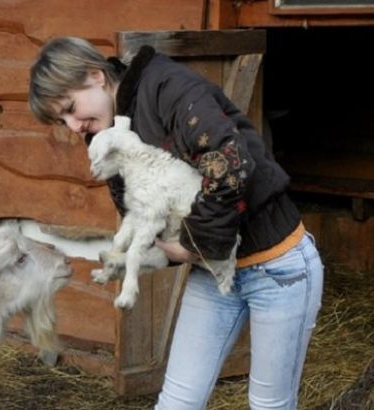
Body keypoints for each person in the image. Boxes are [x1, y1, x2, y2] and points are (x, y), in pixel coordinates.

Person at [28, 37, 324, 410]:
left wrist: (193, 245)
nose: (73, 126)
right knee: (177, 403)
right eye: (62, 119)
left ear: (95, 75)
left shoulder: (168, 88)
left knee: (269, 404)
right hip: (212, 274)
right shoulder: (110, 134)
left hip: (278, 268)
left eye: (71, 108)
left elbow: (228, 164)